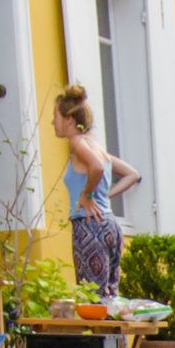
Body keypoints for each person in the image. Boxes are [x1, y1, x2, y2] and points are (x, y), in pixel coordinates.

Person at [51, 85, 141, 298]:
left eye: (55, 117)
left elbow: (97, 168)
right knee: (109, 297)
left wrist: (88, 195)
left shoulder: (77, 143)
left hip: (89, 226)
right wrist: (104, 196)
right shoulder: (96, 145)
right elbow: (132, 174)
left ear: (69, 120)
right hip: (109, 225)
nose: (52, 123)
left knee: (92, 298)